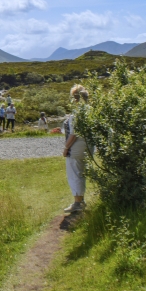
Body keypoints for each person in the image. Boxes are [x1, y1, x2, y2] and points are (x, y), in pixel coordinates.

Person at [63, 85, 90, 213]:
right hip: (88, 146)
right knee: (81, 173)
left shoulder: (77, 113)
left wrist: (66, 147)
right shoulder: (89, 110)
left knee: (74, 174)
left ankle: (78, 203)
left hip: (76, 148)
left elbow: (74, 134)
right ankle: (81, 201)